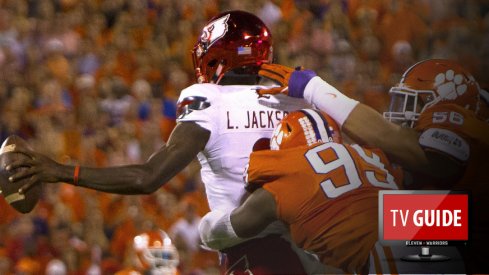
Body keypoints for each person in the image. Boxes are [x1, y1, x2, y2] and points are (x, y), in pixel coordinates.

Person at [7, 10, 325, 274]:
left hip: (257, 254)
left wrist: (60, 171)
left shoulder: (209, 98)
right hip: (318, 252)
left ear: (220, 54)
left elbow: (148, 178)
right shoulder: (297, 99)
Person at [255, 59, 489, 273]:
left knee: (362, 220)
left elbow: (420, 154)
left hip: (471, 225)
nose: (401, 113)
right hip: (464, 229)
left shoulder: (466, 129)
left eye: (412, 103)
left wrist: (316, 90)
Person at [199, 108, 401, 273]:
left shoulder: (291, 172)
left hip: (387, 254)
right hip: (418, 219)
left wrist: (208, 223)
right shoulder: (368, 154)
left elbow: (223, 232)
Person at [115, 229, 180, 275]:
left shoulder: (173, 273)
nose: (161, 260)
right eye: (156, 255)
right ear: (140, 256)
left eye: (164, 255)